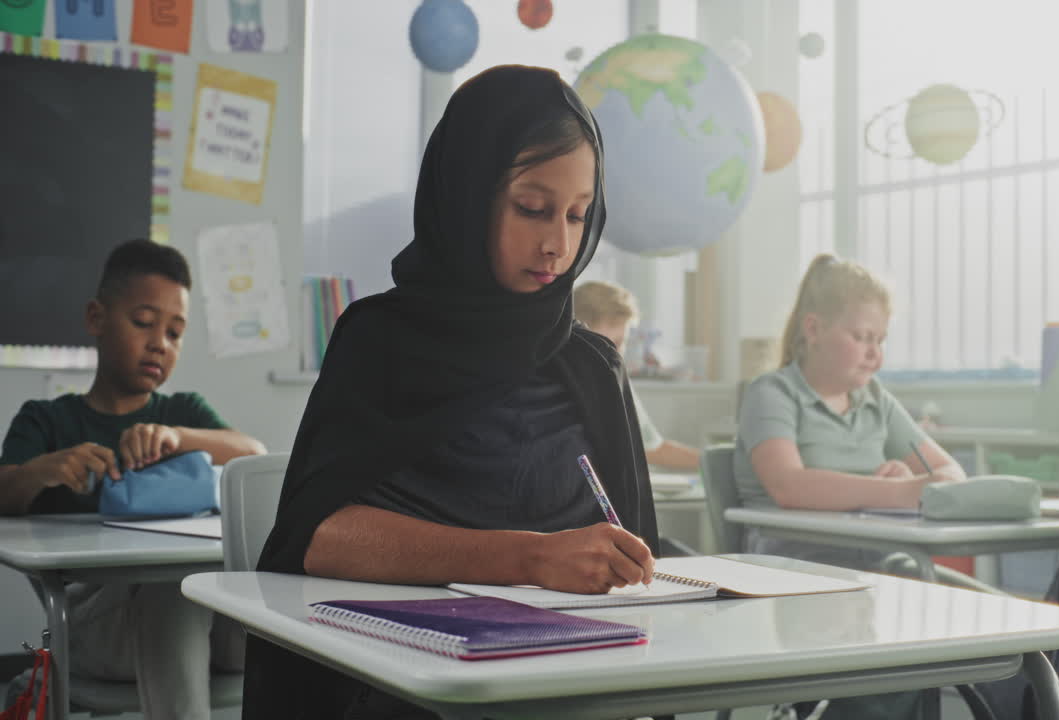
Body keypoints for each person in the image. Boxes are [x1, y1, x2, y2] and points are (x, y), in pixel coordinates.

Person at [244, 65, 660, 719]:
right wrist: (529, 557)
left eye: (579, 216)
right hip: (396, 681)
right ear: (467, 194)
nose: (558, 243)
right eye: (532, 208)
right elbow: (316, 537)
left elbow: (632, 558)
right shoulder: (381, 342)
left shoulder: (592, 367)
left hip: (569, 682)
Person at [0, 237, 267, 719]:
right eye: (144, 323)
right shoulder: (46, 421)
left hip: (209, 628)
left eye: (175, 332)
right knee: (177, 585)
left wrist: (178, 436)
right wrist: (41, 471)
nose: (159, 343)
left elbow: (253, 454)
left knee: (250, 601)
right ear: (96, 319)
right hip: (95, 632)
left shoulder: (182, 412)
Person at [734, 253, 965, 720]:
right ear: (814, 329)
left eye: (880, 339)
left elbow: (951, 476)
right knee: (901, 634)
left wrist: (911, 476)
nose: (874, 353)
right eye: (861, 337)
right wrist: (898, 492)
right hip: (795, 575)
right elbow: (788, 486)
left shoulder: (876, 401)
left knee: (934, 620)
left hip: (875, 570)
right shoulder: (772, 393)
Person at [573, 280, 701, 471]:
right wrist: (724, 462)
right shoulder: (598, 381)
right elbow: (649, 450)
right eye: (607, 344)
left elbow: (647, 444)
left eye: (620, 343)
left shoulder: (613, 378)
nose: (615, 353)